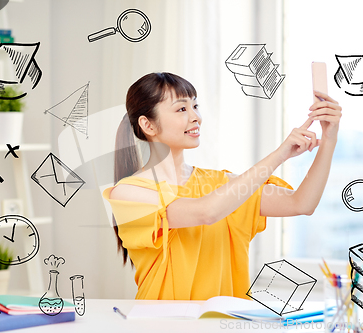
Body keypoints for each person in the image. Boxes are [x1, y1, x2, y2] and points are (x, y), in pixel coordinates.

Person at [103, 72, 342, 300]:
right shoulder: (128, 192)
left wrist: (329, 139)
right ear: (149, 125)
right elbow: (206, 212)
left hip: (223, 323)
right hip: (160, 324)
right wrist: (280, 155)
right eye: (182, 109)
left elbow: (301, 203)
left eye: (195, 106)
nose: (195, 117)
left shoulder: (221, 184)